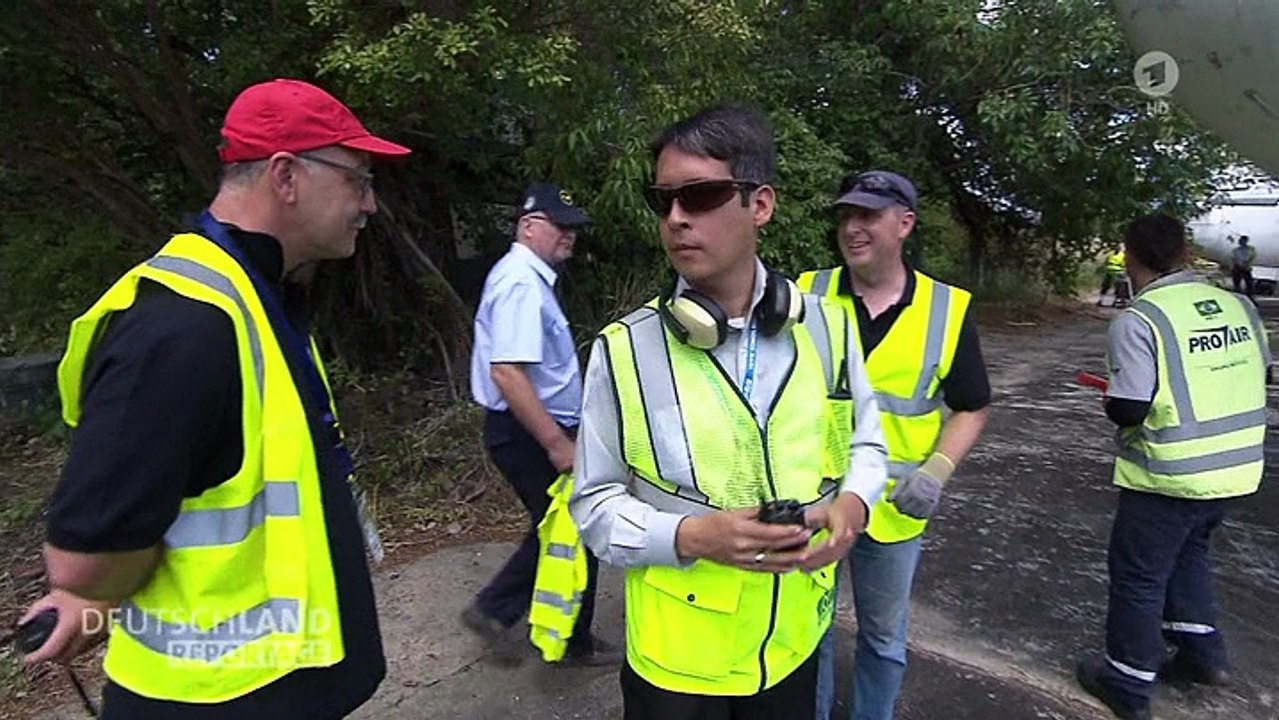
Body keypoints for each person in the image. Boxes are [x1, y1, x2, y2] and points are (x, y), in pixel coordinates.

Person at [18, 78, 410, 719]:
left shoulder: (257, 296)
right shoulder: (184, 327)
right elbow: (85, 561)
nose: (369, 204)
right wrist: (90, 595)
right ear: (286, 176)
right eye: (357, 180)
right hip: (210, 698)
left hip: (270, 688)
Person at [570, 104, 889, 720]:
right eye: (663, 201)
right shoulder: (623, 349)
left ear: (760, 204)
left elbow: (867, 449)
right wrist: (691, 536)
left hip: (795, 649)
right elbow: (594, 505)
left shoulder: (828, 330)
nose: (676, 219)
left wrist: (854, 504)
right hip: (676, 667)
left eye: (702, 195)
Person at [802, 171, 991, 720]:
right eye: (846, 216)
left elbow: (972, 405)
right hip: (815, 502)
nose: (852, 228)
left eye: (868, 216)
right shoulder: (806, 294)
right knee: (805, 633)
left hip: (892, 512)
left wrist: (936, 470)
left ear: (904, 224)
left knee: (883, 637)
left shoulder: (946, 309)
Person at [1075, 214, 1269, 720]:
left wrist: (1111, 402)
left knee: (1138, 575)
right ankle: (1203, 655)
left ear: (1130, 254)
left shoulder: (1139, 320)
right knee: (1189, 556)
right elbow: (1259, 371)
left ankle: (1128, 680)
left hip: (1170, 473)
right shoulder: (1238, 304)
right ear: (1185, 252)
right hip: (1237, 468)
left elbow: (1130, 408)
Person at [463, 182, 619, 666]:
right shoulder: (520, 284)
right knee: (568, 526)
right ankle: (522, 620)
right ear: (529, 226)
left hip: (530, 426)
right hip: (530, 430)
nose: (570, 235)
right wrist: (555, 443)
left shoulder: (527, 279)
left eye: (573, 227)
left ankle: (545, 627)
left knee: (562, 528)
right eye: (560, 225)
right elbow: (507, 370)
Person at [1231, 234, 1256, 300]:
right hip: (1238, 268)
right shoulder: (1236, 250)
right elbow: (1234, 259)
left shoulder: (1251, 249)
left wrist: (1245, 264)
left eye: (1242, 240)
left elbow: (1251, 257)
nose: (1241, 242)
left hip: (1245, 268)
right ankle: (1238, 295)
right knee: (1237, 282)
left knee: (1249, 283)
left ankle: (1249, 296)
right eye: (1240, 241)